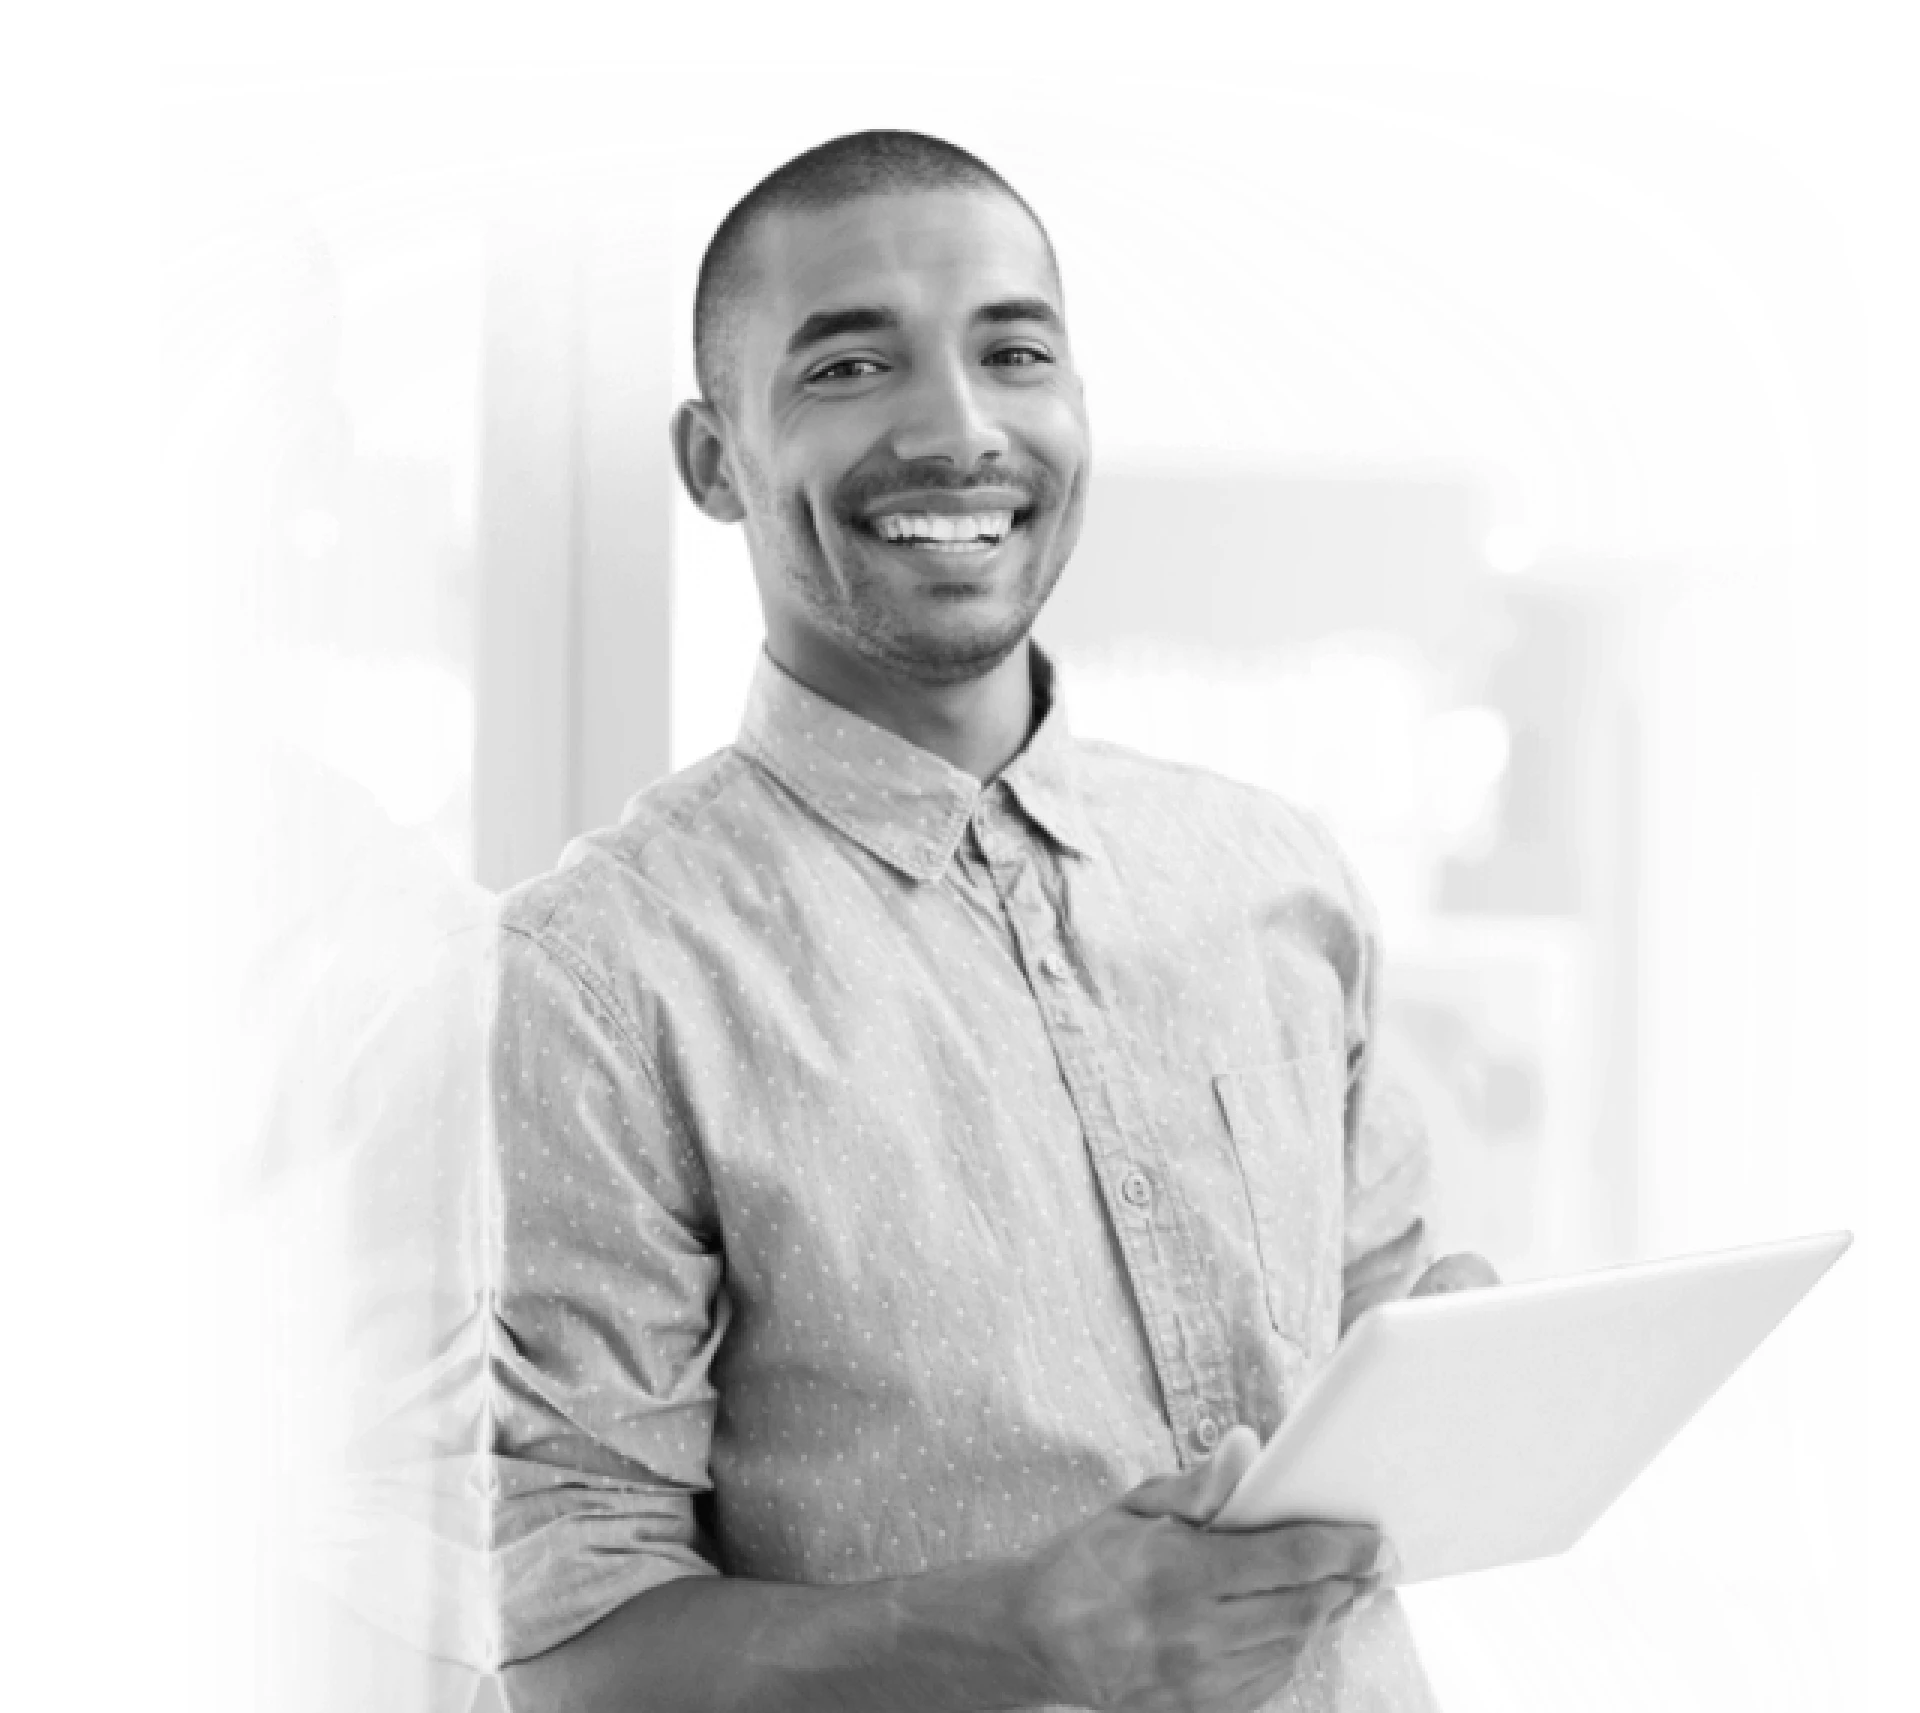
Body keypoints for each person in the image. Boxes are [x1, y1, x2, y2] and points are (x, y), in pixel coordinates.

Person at [489, 129, 1499, 1713]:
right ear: (712, 458)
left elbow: (1382, 1362)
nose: (957, 431)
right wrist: (1018, 1637)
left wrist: (1454, 1385)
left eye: (1012, 353)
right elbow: (567, 1652)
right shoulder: (599, 981)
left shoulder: (1274, 882)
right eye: (847, 367)